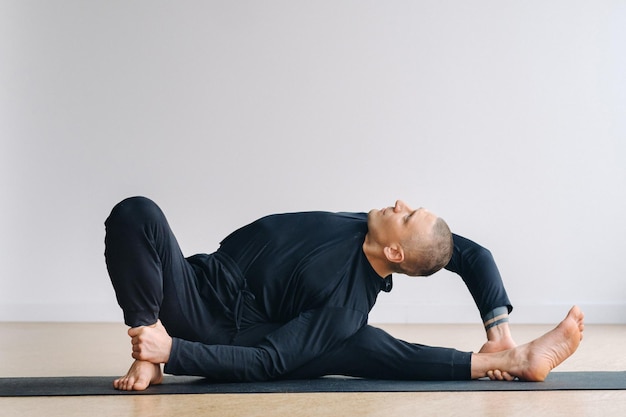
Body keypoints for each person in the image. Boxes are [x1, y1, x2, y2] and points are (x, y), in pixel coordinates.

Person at [104, 196, 584, 391]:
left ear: (396, 252)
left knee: (365, 346)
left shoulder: (345, 306)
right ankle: (509, 353)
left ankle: (515, 362)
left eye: (407, 214)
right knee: (136, 212)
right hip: (199, 279)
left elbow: (269, 363)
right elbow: (468, 253)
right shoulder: (368, 226)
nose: (399, 203)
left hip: (220, 327)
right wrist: (497, 329)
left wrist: (177, 351)